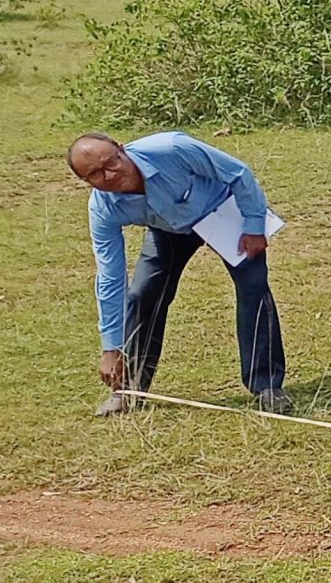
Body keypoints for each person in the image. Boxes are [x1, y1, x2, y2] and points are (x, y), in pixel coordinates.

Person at [76, 132, 292, 417]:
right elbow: (110, 278)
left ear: (121, 148)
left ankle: (267, 387)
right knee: (142, 294)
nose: (109, 175)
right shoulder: (103, 208)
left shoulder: (172, 148)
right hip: (169, 229)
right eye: (95, 174)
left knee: (253, 287)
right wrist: (111, 347)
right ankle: (130, 390)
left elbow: (237, 173)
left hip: (224, 210)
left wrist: (254, 225)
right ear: (85, 181)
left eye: (111, 162)